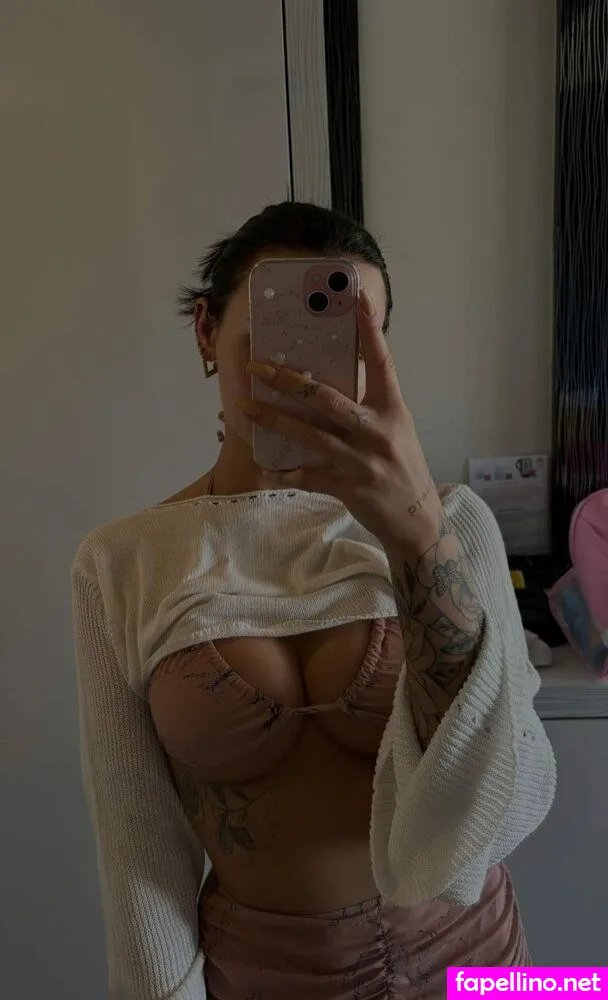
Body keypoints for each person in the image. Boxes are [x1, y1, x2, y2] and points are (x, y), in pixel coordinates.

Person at [72, 202, 556, 1000]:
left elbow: (505, 802)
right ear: (206, 332)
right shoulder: (122, 561)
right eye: (278, 335)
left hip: (483, 961)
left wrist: (416, 535)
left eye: (349, 342)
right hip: (264, 973)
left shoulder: (455, 522)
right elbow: (137, 854)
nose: (307, 373)